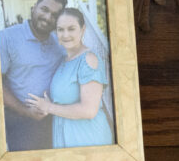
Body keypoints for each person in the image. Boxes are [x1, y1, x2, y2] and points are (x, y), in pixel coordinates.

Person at [25, 8, 114, 148]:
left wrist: (49, 107)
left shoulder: (89, 60)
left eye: (71, 28)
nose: (65, 35)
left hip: (88, 139)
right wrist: (48, 103)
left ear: (82, 29)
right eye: (60, 29)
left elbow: (89, 110)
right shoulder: (63, 60)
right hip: (65, 136)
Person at [0, 0, 66, 151]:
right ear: (34, 7)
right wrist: (26, 112)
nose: (48, 17)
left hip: (55, 117)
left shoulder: (60, 42)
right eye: (44, 9)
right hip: (21, 119)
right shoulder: (7, 37)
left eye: (55, 15)